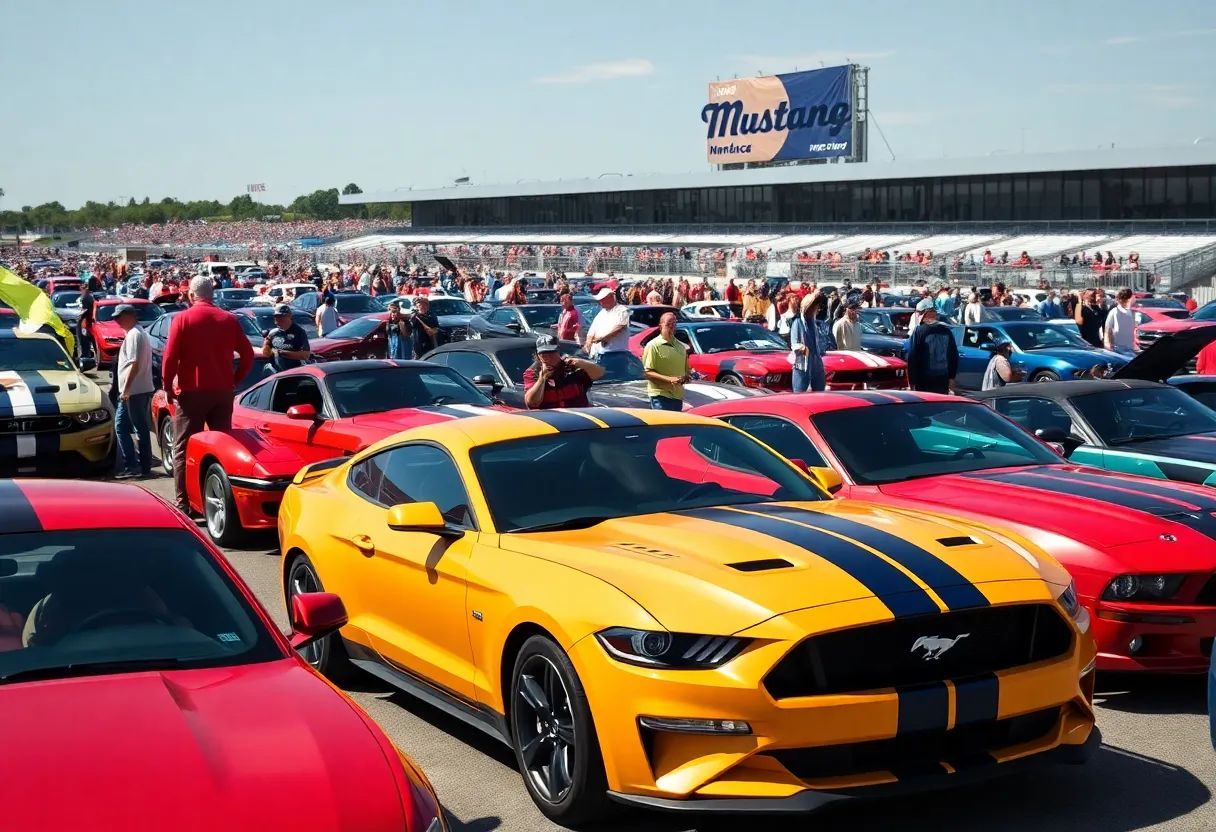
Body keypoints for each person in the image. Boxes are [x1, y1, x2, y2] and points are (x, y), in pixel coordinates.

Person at [161, 276, 255, 512]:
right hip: (222, 391)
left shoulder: (182, 319)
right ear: (212, 295)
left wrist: (167, 386)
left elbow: (170, 358)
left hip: (192, 391)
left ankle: (183, 502)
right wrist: (234, 380)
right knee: (221, 446)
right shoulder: (229, 319)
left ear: (191, 296)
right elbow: (248, 355)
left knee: (183, 447)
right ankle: (220, 498)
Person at [112, 304, 154, 478]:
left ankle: (135, 465)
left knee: (124, 426)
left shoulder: (135, 334)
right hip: (137, 390)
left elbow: (134, 365)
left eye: (120, 317)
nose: (117, 321)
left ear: (129, 316)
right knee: (135, 427)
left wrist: (126, 390)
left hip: (134, 391)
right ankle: (141, 465)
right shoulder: (137, 333)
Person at [521, 334, 605, 409]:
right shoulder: (532, 372)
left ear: (558, 352)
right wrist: (541, 379)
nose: (547, 356)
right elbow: (532, 402)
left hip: (578, 417)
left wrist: (581, 363)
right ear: (538, 355)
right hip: (550, 420)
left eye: (551, 352)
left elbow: (599, 373)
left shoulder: (571, 367)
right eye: (543, 353)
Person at [905, 298, 958, 394]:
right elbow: (953, 356)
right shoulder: (946, 331)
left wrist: (912, 381)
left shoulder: (919, 331)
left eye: (919, 312)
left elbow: (912, 357)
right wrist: (951, 378)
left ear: (925, 313)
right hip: (942, 380)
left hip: (923, 382)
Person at [642, 312, 692, 411]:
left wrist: (687, 377)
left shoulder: (680, 346)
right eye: (668, 324)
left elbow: (686, 371)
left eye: (674, 324)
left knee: (674, 426)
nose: (671, 327)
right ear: (660, 326)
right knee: (663, 425)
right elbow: (647, 373)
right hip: (660, 396)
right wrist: (669, 379)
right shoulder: (653, 346)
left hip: (677, 396)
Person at [789, 292, 835, 392]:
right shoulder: (798, 322)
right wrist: (801, 348)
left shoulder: (815, 324)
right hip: (802, 365)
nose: (816, 310)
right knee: (800, 395)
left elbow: (820, 345)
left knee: (819, 393)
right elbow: (794, 344)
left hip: (816, 363)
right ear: (808, 308)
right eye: (814, 307)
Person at [584, 287, 631, 357]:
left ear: (612, 297)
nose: (600, 302)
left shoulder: (622, 311)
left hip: (615, 353)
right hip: (599, 353)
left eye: (602, 299)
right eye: (600, 300)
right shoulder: (601, 313)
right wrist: (588, 343)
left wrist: (601, 338)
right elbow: (591, 332)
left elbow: (619, 327)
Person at [262, 304, 311, 372]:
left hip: (293, 372)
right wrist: (266, 343)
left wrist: (284, 353)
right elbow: (266, 354)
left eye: (282, 316)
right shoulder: (273, 333)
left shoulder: (299, 332)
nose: (280, 319)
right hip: (276, 372)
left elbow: (306, 355)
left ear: (290, 316)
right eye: (277, 317)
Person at [1103, 287, 1136, 356]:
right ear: (1127, 299)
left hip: (1129, 348)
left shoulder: (1131, 312)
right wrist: (1108, 345)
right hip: (1117, 349)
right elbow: (1107, 330)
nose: (1135, 299)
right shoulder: (1114, 312)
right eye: (1132, 296)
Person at [77, 283, 95, 359]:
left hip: (84, 321)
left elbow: (84, 310)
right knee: (85, 339)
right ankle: (86, 354)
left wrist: (79, 316)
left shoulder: (85, 298)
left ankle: (84, 355)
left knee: (83, 339)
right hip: (87, 321)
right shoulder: (89, 297)